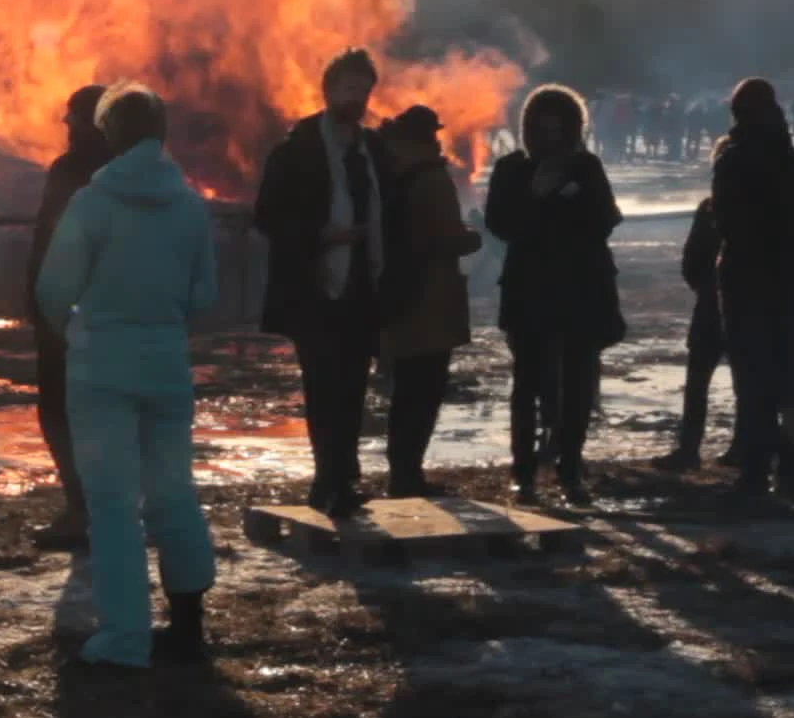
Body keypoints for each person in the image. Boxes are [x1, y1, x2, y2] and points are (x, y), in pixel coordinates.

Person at [34, 82, 218, 669]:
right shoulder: (189, 205)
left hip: (101, 370)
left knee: (112, 503)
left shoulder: (91, 203)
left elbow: (53, 289)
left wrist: (78, 336)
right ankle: (189, 623)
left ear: (108, 133)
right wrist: (166, 330)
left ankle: (124, 638)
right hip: (166, 365)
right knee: (173, 490)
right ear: (160, 133)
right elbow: (205, 294)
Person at [254, 48, 394, 518]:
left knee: (354, 387)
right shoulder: (297, 150)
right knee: (323, 385)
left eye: (363, 90)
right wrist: (320, 236)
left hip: (363, 288)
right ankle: (326, 480)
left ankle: (343, 480)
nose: (356, 98)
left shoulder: (373, 149)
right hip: (315, 289)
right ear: (328, 91)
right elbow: (268, 216)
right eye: (348, 89)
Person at [484, 84, 625, 508]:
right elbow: (500, 224)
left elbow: (605, 219)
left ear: (573, 127)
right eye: (541, 127)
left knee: (578, 384)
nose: (549, 135)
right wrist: (538, 199)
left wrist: (562, 205)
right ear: (527, 128)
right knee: (527, 384)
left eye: (558, 127)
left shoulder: (586, 167)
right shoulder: (512, 169)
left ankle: (570, 467)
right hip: (530, 288)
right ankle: (523, 471)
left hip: (582, 287)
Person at [712, 78, 794, 501]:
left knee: (752, 380)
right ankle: (790, 470)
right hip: (787, 285)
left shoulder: (733, 161)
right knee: (789, 378)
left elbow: (728, 224)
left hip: (744, 282)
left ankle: (754, 472)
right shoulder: (792, 161)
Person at [376, 105, 481, 498]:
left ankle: (402, 472)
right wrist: (470, 239)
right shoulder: (429, 179)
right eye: (432, 134)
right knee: (423, 392)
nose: (438, 141)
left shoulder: (387, 174)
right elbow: (437, 239)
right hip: (430, 299)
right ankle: (408, 475)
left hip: (398, 297)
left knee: (405, 391)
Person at [24, 84, 111, 550]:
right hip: (114, 312)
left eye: (72, 117)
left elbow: (48, 238)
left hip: (68, 311)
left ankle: (82, 506)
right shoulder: (126, 170)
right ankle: (104, 504)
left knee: (59, 408)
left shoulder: (72, 171)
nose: (66, 126)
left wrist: (38, 299)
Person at [652, 191, 737, 472]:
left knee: (698, 381)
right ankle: (744, 445)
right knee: (748, 382)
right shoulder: (768, 200)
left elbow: (692, 257)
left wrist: (704, 286)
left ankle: (689, 448)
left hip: (711, 302)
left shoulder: (711, 205)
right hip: (750, 304)